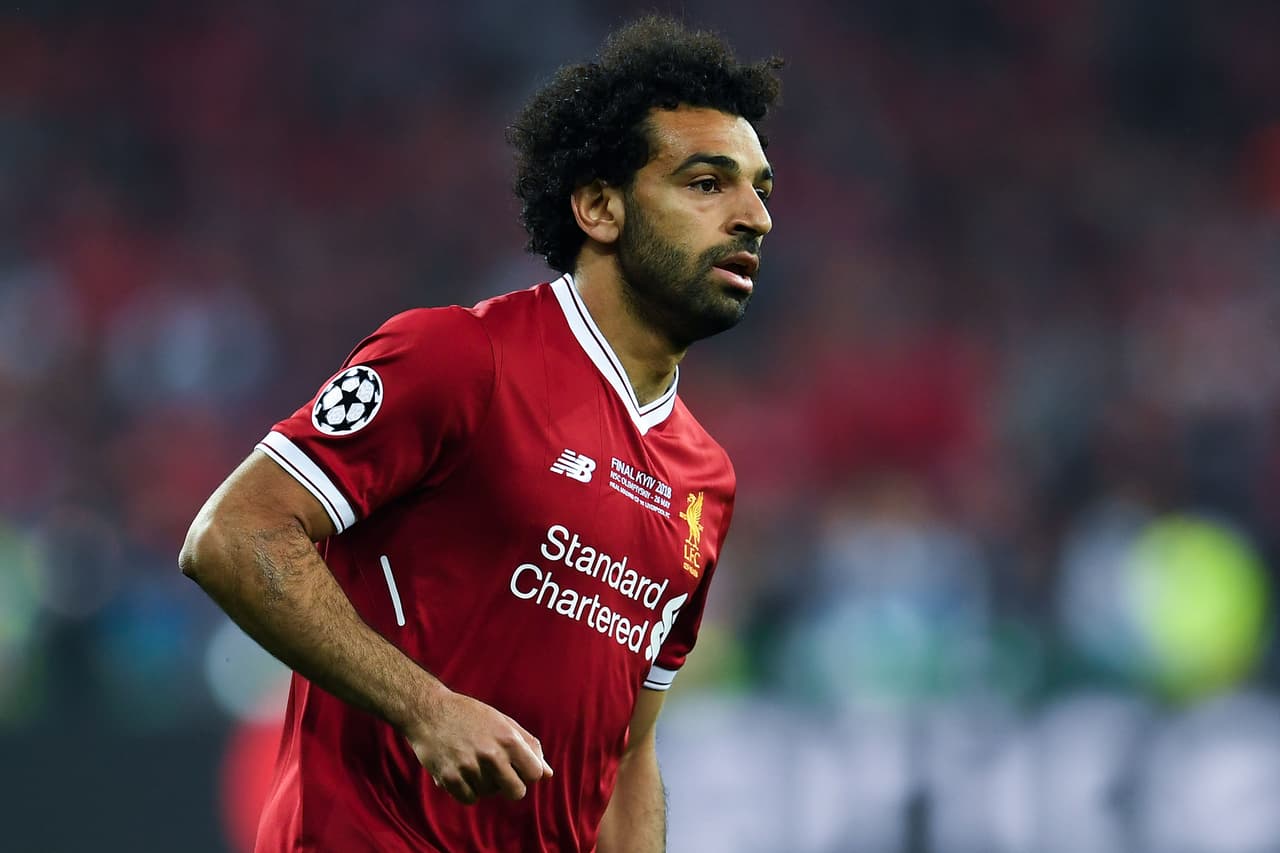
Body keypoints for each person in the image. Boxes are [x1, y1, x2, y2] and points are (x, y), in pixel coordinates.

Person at [180, 15, 781, 852]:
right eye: (708, 183)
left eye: (761, 188)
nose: (754, 216)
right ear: (600, 207)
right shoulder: (461, 358)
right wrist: (426, 706)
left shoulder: (705, 483)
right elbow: (231, 535)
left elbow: (627, 754)